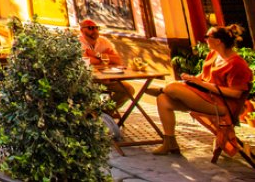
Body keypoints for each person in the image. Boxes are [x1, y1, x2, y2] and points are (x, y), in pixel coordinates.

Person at [154, 25, 253, 156]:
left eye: (207, 37)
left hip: (224, 104)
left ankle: (161, 89)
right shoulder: (214, 55)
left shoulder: (236, 64)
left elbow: (236, 93)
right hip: (207, 96)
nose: (205, 39)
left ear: (218, 41)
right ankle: (169, 143)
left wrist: (201, 84)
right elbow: (204, 76)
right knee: (163, 100)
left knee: (171, 88)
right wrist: (193, 79)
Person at [79, 18, 133, 109]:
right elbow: (85, 62)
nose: (95, 30)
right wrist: (106, 58)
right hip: (87, 81)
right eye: (90, 28)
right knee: (92, 93)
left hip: (106, 79)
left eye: (96, 28)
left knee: (128, 90)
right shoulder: (78, 42)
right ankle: (97, 112)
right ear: (81, 30)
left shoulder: (103, 41)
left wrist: (97, 55)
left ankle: (106, 112)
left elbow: (118, 60)